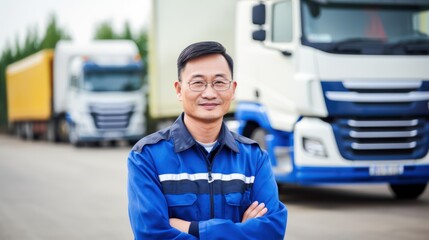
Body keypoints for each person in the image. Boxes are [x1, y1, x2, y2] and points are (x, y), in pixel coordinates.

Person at [127, 41, 287, 239]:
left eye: (219, 82)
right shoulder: (147, 156)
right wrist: (240, 230)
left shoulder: (254, 158)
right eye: (198, 82)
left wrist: (193, 229)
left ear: (233, 89)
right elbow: (151, 234)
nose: (210, 93)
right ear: (179, 90)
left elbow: (272, 231)